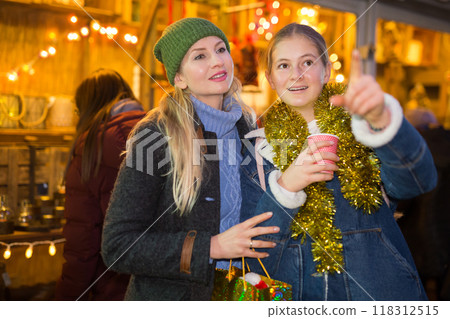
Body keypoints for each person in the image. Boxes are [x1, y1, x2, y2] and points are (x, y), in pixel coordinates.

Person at [240, 23, 437, 301]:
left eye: (307, 62)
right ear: (270, 79)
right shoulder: (257, 152)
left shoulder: (363, 127)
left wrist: (383, 121)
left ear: (326, 70)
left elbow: (418, 180)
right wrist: (284, 187)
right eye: (283, 65)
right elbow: (255, 249)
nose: (296, 74)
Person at [101, 18, 279, 301]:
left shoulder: (248, 129)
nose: (217, 61)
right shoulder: (156, 136)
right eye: (200, 56)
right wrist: (211, 247)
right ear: (179, 78)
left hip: (237, 295)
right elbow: (118, 246)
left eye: (221, 50)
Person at [55, 69, 146, 300]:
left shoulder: (91, 144)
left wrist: (69, 297)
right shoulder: (164, 130)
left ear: (87, 107)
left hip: (111, 285)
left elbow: (83, 240)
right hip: (165, 282)